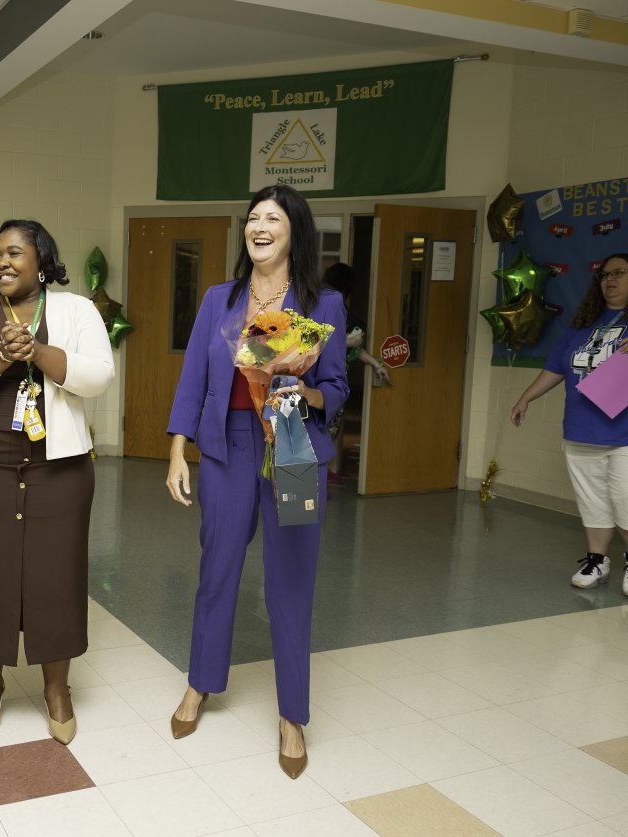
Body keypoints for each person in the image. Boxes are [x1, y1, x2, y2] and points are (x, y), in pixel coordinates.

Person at [165, 185, 348, 779]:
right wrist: (177, 451)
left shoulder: (324, 304)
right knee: (216, 569)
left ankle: (292, 715)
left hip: (293, 441)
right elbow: (194, 377)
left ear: (295, 229)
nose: (259, 226)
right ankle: (201, 684)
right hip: (227, 446)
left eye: (272, 217)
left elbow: (340, 388)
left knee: (291, 582)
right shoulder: (221, 299)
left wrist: (308, 390)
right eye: (251, 218)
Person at [0, 219, 114, 745]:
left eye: (14, 252)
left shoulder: (76, 311)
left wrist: (37, 353)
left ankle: (57, 689)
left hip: (60, 471)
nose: (2, 262)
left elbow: (99, 375)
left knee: (55, 577)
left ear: (41, 260)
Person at [511, 252, 628, 594]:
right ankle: (597, 560)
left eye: (619, 273)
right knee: (592, 501)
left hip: (623, 434)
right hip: (580, 430)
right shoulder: (582, 324)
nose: (610, 279)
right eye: (605, 275)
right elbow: (556, 367)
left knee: (625, 500)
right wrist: (526, 398)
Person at [321, 262, 389, 483]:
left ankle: (322, 478)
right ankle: (314, 481)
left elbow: (356, 348)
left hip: (335, 382)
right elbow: (313, 342)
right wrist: (348, 341)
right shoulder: (323, 304)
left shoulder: (337, 306)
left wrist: (376, 364)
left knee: (329, 432)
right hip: (320, 381)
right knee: (321, 432)